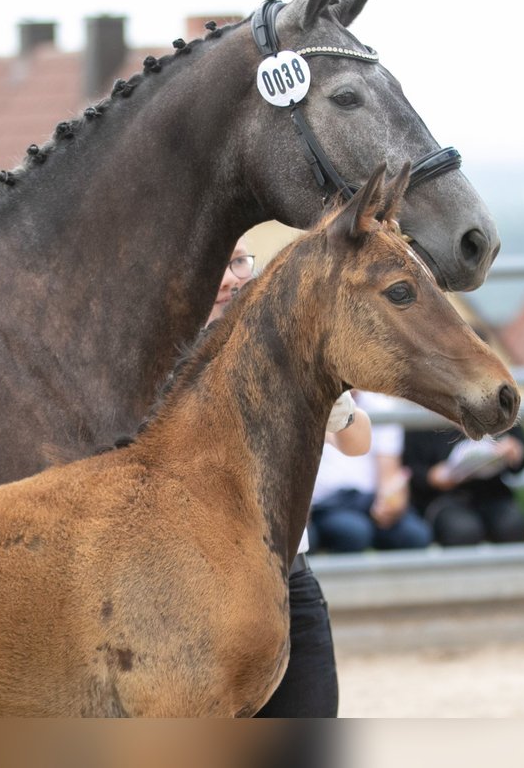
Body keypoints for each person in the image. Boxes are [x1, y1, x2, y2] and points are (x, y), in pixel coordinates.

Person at [206, 238, 352, 717]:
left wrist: (335, 406)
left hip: (288, 578)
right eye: (218, 265)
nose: (230, 277)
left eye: (239, 261)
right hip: (203, 587)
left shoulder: (284, 347)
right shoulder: (165, 359)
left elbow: (358, 441)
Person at [307, 391, 433, 554]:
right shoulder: (311, 396)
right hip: (326, 503)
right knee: (354, 532)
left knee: (415, 535)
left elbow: (387, 470)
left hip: (368, 500)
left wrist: (390, 500)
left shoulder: (381, 405)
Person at [404, 424, 524, 545]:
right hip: (443, 498)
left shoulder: (494, 405)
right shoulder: (426, 412)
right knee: (463, 531)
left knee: (512, 525)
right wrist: (431, 477)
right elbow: (411, 469)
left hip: (491, 492)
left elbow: (519, 459)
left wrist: (514, 450)